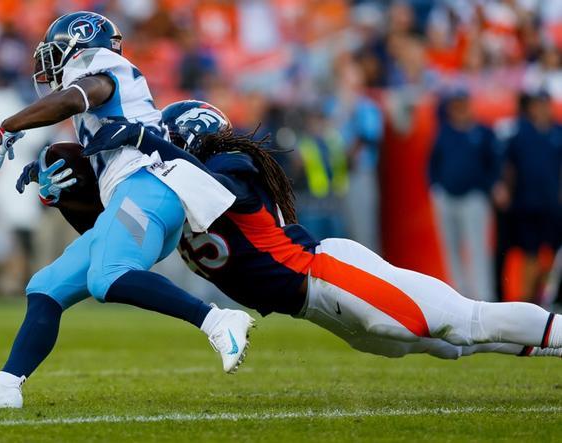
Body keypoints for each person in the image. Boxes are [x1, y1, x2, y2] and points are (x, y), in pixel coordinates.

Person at [45, 100, 562, 363]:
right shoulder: (173, 194)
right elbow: (117, 241)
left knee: (462, 322)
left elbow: (215, 190)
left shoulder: (230, 165)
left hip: (327, 274)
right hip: (313, 307)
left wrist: (151, 144)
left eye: (165, 138)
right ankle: (541, 344)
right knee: (448, 345)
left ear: (189, 139)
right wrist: (63, 192)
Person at [0, 12, 253, 410]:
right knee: (47, 286)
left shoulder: (103, 68)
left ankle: (218, 320)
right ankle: (7, 384)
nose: (48, 62)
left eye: (55, 51)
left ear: (80, 44)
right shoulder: (101, 106)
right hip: (135, 193)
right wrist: (49, 178)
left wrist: (11, 123)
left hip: (149, 187)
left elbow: (77, 95)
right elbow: (95, 183)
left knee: (109, 277)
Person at [429, 90, 501, 301]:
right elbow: (433, 163)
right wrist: (436, 188)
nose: (460, 109)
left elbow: (494, 165)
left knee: (478, 249)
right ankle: (458, 299)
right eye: (456, 105)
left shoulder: (484, 132)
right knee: (451, 250)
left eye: (463, 104)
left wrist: (488, 187)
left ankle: (484, 298)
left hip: (474, 198)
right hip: (447, 197)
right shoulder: (444, 132)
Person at [501, 91, 562, 302]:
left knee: (552, 255)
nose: (542, 109)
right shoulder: (521, 133)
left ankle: (544, 295)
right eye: (538, 105)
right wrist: (506, 189)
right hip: (527, 202)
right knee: (530, 252)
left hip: (553, 204)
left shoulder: (558, 132)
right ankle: (527, 298)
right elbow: (509, 166)